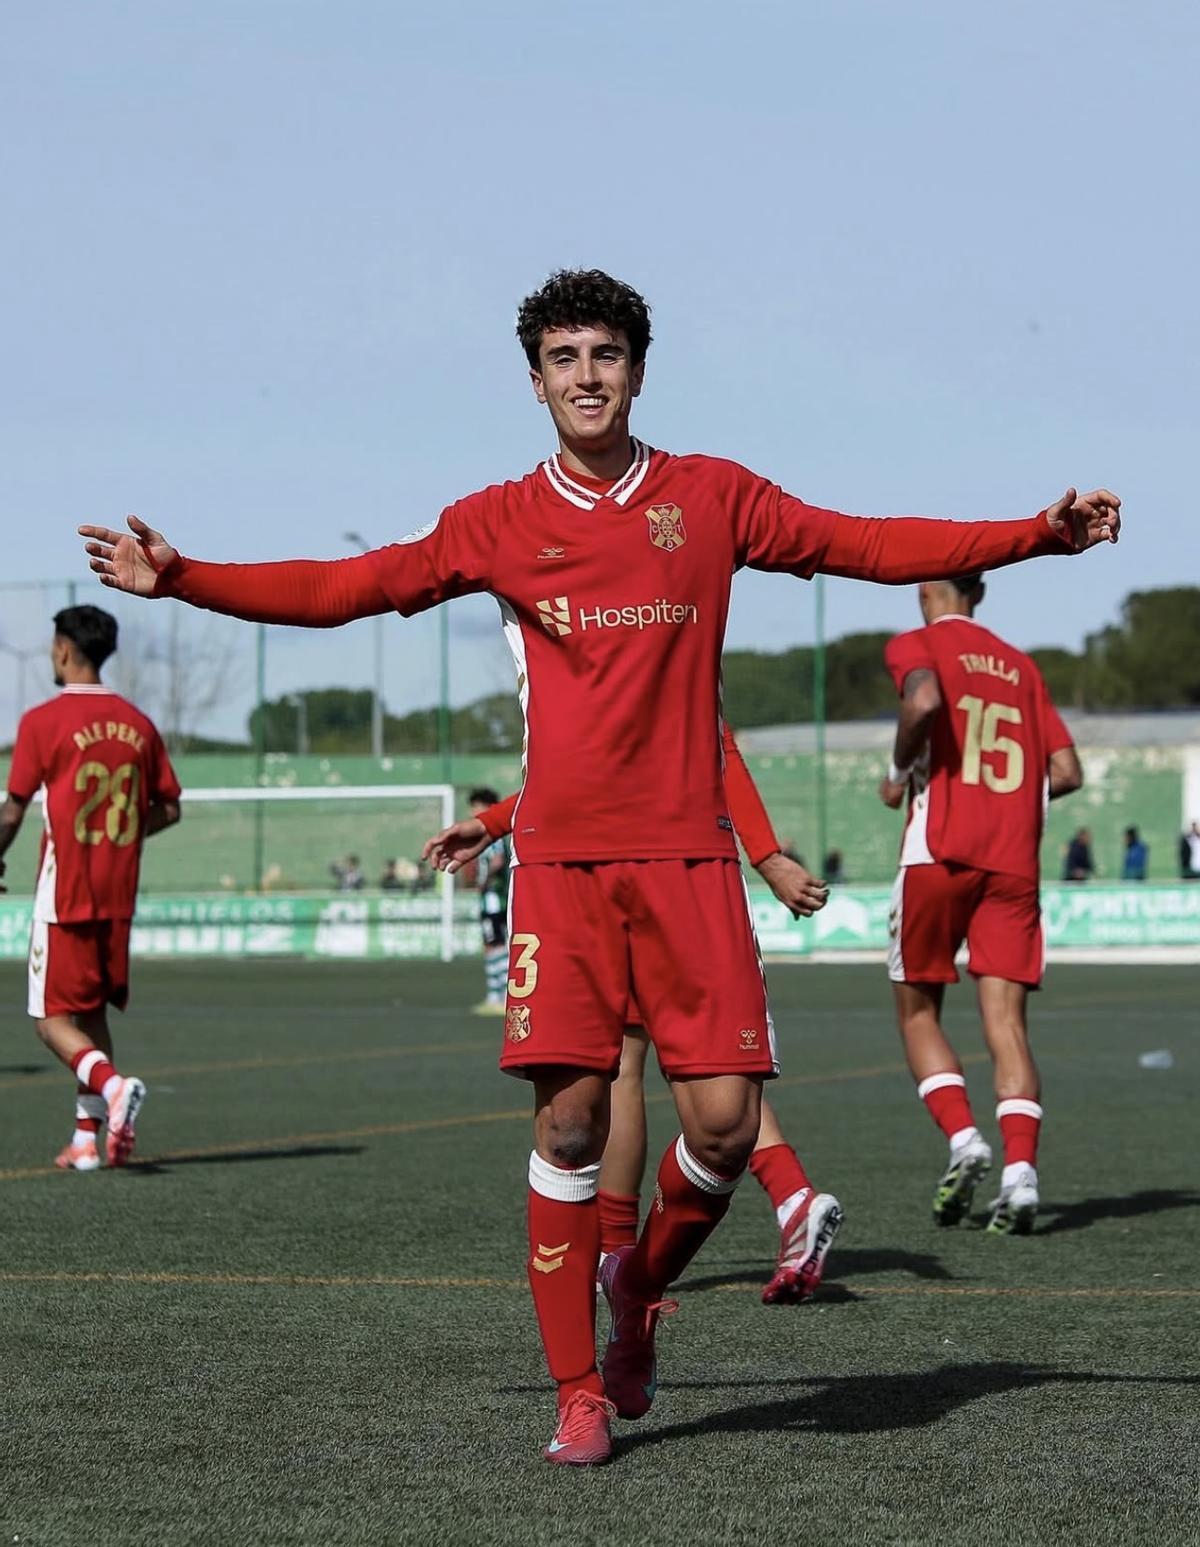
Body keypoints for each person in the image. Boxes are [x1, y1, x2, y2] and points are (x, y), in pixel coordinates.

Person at [80, 268, 1120, 1465]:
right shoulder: (498, 518)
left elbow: (869, 541)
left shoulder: (712, 496)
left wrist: (1035, 535)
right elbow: (350, 588)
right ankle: (580, 1386)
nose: (587, 375)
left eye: (607, 354)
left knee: (724, 1130)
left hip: (687, 858)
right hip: (564, 870)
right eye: (565, 357)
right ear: (535, 381)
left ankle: (638, 1284)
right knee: (572, 1126)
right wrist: (191, 576)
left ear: (637, 368)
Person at [424, 723, 843, 1302]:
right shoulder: (648, 652)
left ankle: (617, 1253)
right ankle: (791, 1195)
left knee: (625, 1061)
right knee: (714, 1084)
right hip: (673, 875)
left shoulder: (640, 642)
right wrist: (497, 822)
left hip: (631, 878)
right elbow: (620, 769)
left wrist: (769, 856)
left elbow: (711, 750)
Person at [879, 573, 1083, 1236]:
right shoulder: (1022, 666)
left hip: (938, 851)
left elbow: (923, 704)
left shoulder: (916, 644)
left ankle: (965, 1139)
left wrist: (897, 770)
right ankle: (1021, 1176)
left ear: (923, 592)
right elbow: (1067, 771)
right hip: (1013, 861)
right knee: (1008, 1023)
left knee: (916, 1011)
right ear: (980, 595)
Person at [0, 606, 181, 1170]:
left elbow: (12, 811)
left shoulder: (42, 722)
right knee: (91, 1011)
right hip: (117, 896)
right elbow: (169, 807)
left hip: (65, 895)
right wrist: (122, 839)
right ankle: (87, 1139)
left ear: (61, 649)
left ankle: (112, 1088)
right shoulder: (139, 723)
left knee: (50, 1020)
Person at [467, 785, 512, 1015]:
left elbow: (496, 859)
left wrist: (484, 881)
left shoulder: (492, 833)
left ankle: (500, 996)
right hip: (497, 899)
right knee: (496, 945)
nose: (473, 812)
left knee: (494, 945)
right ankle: (499, 995)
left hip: (494, 899)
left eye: (476, 806)